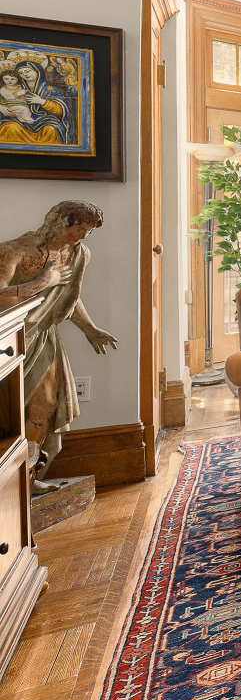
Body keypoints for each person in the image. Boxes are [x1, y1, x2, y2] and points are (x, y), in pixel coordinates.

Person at [0, 201, 115, 490]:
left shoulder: (78, 254)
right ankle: (7, 487)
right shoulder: (14, 251)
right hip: (9, 341)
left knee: (44, 408)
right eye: (78, 229)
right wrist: (42, 282)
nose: (83, 237)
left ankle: (28, 480)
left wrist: (90, 330)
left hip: (44, 337)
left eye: (88, 232)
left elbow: (68, 297)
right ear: (58, 222)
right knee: (8, 417)